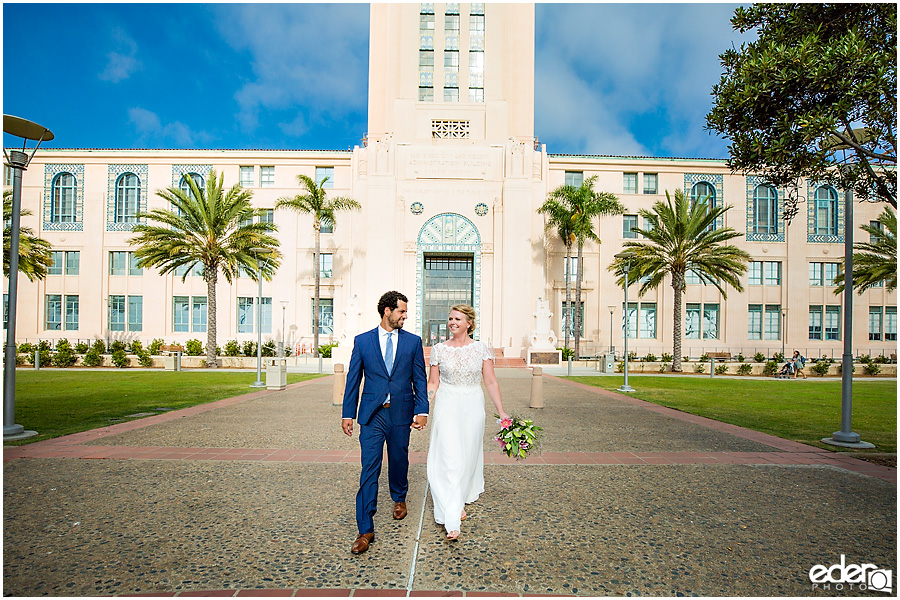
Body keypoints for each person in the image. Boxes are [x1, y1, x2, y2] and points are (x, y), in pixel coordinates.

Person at [342, 291, 429, 555]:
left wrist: (422, 409)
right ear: (387, 311)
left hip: (400, 412)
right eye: (401, 311)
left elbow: (419, 379)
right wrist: (348, 413)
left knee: (399, 459)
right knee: (369, 467)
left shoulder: (412, 342)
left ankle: (399, 496)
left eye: (405, 312)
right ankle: (365, 529)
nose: (405, 316)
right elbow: (353, 379)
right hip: (372, 414)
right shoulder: (363, 341)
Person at [426, 304, 510, 541]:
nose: (452, 322)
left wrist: (502, 413)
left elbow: (491, 382)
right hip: (447, 405)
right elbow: (433, 383)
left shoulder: (481, 349)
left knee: (468, 455)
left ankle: (458, 497)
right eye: (450, 318)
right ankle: (452, 519)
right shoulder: (439, 349)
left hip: (473, 404)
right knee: (450, 457)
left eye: (457, 319)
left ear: (469, 323)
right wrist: (423, 407)